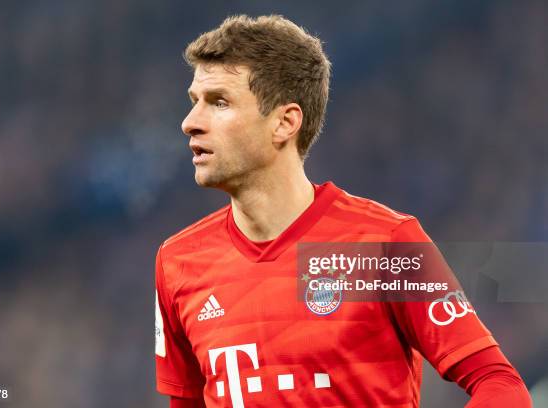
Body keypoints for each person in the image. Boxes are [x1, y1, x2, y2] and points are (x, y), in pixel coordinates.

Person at [155, 15, 531, 407]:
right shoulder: (179, 262)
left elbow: (499, 384)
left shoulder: (383, 245)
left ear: (285, 122)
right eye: (194, 102)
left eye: (219, 102)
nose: (190, 123)